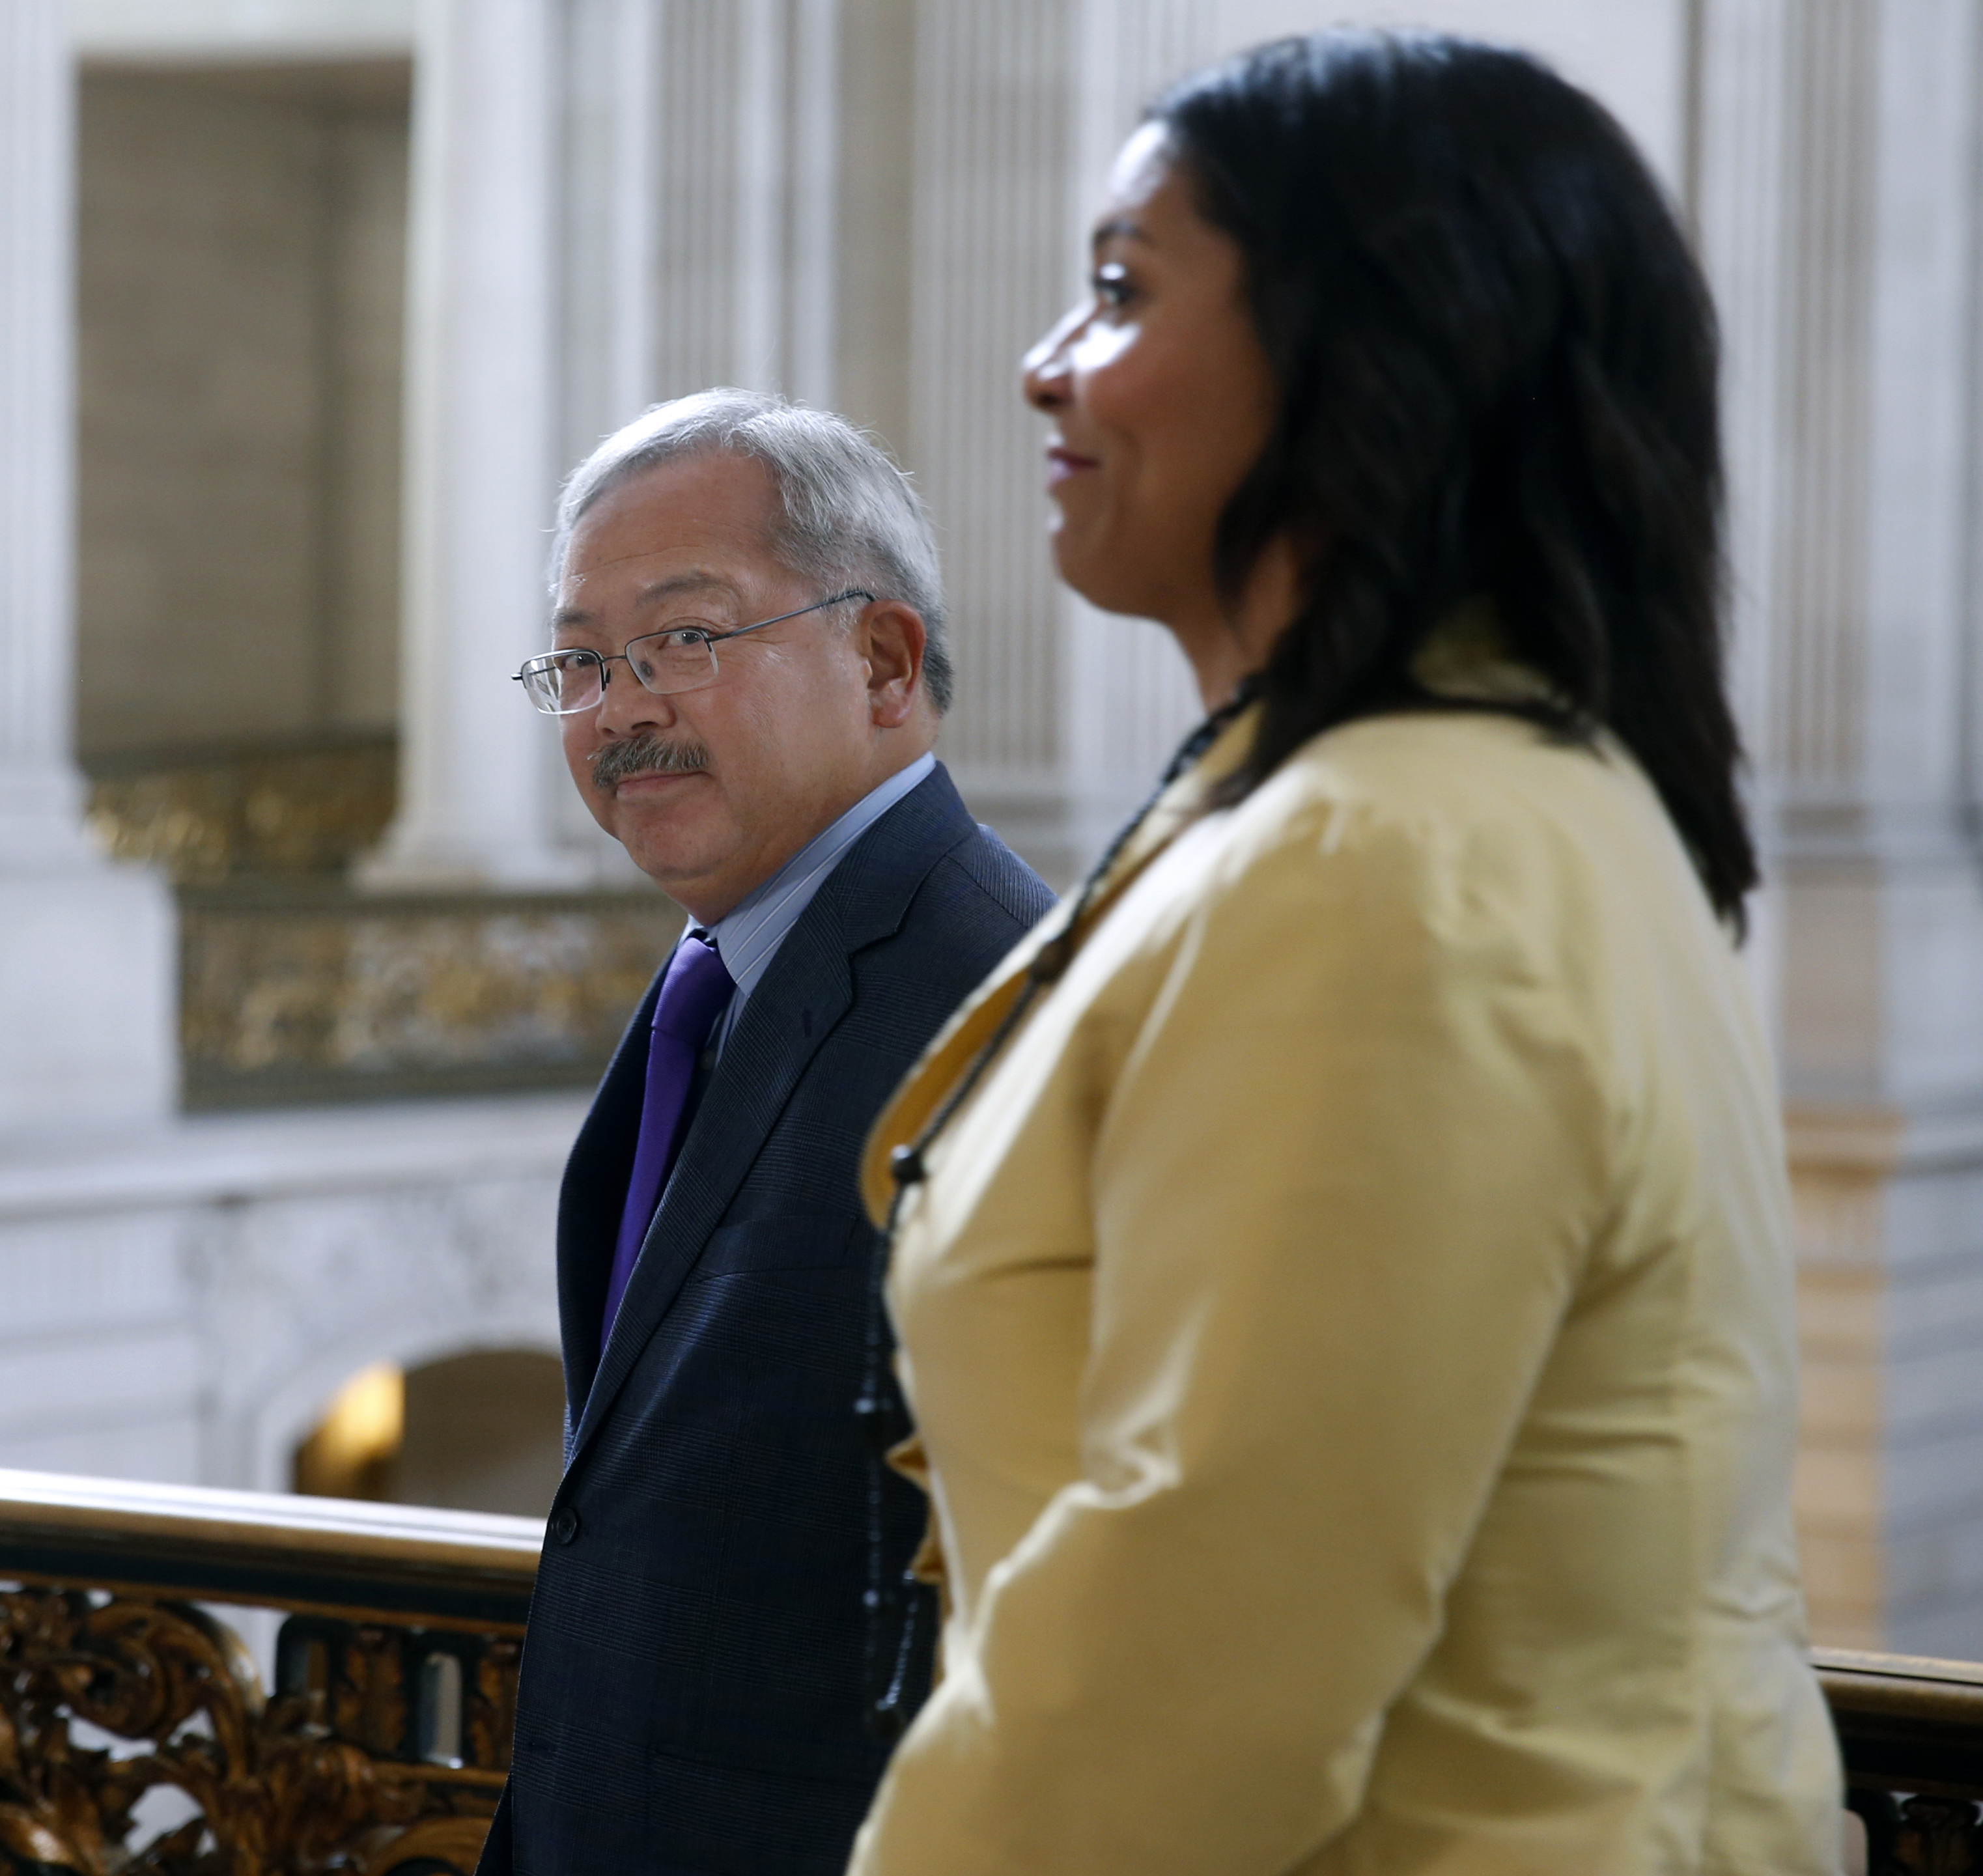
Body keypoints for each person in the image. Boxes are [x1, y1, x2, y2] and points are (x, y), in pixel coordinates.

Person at [847, 33, 1844, 1875]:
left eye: (1120, 289)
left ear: (1370, 346)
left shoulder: (1384, 859)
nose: (1041, 361)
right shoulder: (1453, 794)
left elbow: (1186, 1670)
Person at [474, 389, 1053, 1876]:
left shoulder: (997, 1010)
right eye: (584, 661)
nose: (623, 708)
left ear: (881, 659)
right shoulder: (720, 969)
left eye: (683, 638)